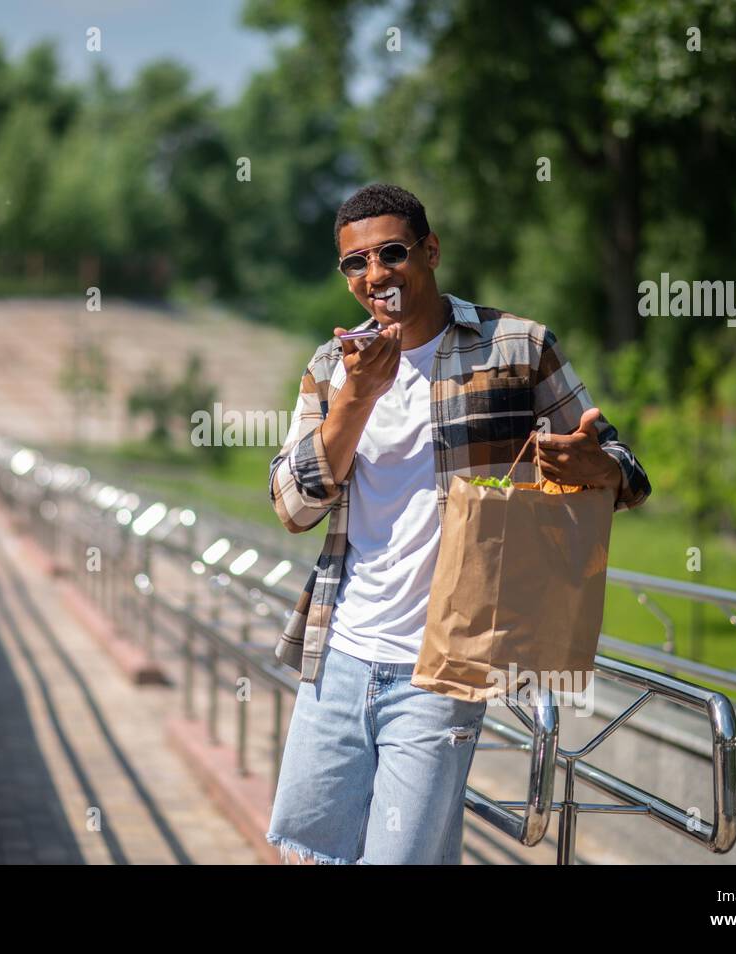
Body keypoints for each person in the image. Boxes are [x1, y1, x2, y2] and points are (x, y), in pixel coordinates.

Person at [264, 182, 651, 864]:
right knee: (316, 853)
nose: (374, 274)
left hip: (443, 666)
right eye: (356, 262)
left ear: (430, 250)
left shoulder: (517, 347)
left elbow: (627, 470)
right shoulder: (333, 367)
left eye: (391, 253)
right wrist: (354, 402)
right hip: (340, 652)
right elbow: (292, 506)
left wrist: (597, 465)